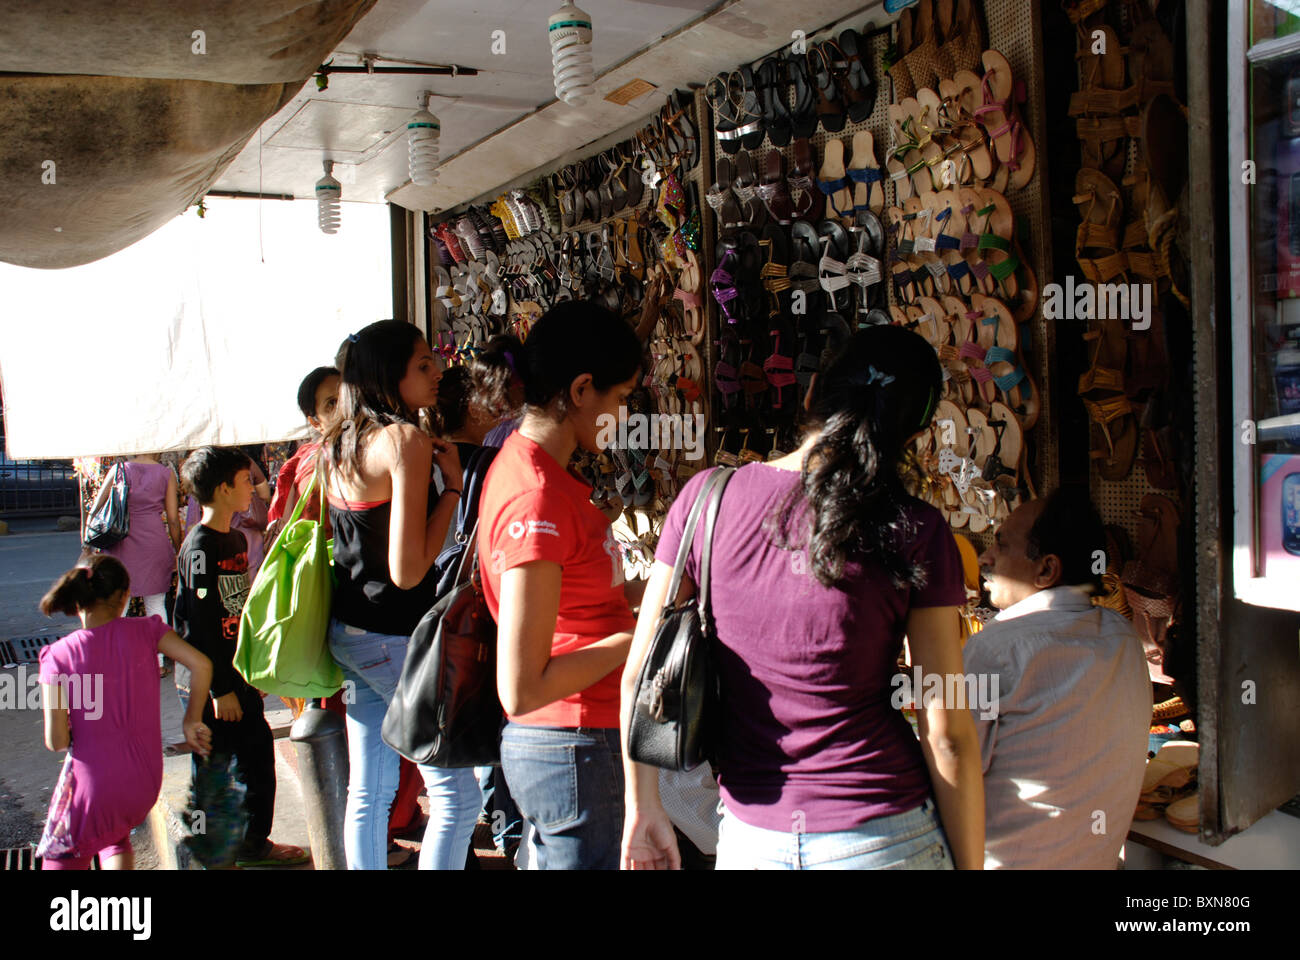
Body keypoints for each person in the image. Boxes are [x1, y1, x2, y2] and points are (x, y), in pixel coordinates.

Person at [621, 325, 985, 870]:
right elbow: (947, 728)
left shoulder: (707, 501)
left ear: (813, 392)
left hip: (750, 837)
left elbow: (640, 676)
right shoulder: (916, 528)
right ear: (913, 435)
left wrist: (642, 808)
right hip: (885, 835)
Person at [477, 300, 644, 870]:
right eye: (620, 399)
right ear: (580, 390)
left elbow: (580, 603)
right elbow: (521, 687)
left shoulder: (538, 475)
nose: (623, 417)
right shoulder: (537, 496)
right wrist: (642, 637)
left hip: (578, 746)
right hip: (575, 746)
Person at [321, 319, 480, 870]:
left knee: (369, 791)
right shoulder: (402, 440)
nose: (437, 370)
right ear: (390, 374)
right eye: (421, 364)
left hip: (350, 632)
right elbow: (409, 570)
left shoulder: (338, 441)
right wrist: (453, 488)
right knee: (460, 797)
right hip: (391, 635)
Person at [964, 489, 1151, 869]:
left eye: (1001, 545)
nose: (985, 558)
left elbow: (949, 764)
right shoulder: (1124, 638)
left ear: (1047, 570)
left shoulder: (994, 649)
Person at [173, 446, 309, 867]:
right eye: (246, 479)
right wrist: (218, 689)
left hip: (237, 676)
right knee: (211, 774)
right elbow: (195, 624)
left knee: (256, 761)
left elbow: (236, 607)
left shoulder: (233, 536)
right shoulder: (199, 546)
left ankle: (252, 847)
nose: (253, 486)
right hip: (210, 684)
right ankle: (207, 855)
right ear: (222, 488)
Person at [35, 555, 213, 870]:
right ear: (123, 597)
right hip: (143, 786)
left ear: (79, 600)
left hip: (94, 790)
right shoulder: (148, 630)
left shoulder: (58, 657)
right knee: (113, 835)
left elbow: (56, 740)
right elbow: (201, 664)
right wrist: (192, 720)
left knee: (63, 852)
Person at [88, 453, 182, 675]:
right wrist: (178, 549)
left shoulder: (119, 469)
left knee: (119, 603)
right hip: (154, 541)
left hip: (122, 540)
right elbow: (173, 518)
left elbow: (96, 508)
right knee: (156, 603)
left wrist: (88, 541)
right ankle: (157, 662)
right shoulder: (166, 474)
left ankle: (114, 660)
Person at [267, 366, 342, 542]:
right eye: (331, 403)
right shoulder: (315, 463)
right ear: (315, 422)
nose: (343, 408)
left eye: (347, 397)